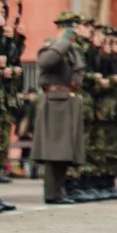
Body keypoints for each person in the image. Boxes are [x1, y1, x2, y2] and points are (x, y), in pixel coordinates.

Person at [30, 11, 87, 204]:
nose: (75, 30)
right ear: (62, 27)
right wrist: (63, 41)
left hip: (68, 101)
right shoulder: (52, 45)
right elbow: (47, 62)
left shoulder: (71, 49)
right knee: (54, 151)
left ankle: (58, 191)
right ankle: (51, 193)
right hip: (55, 101)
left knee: (64, 152)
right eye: (72, 26)